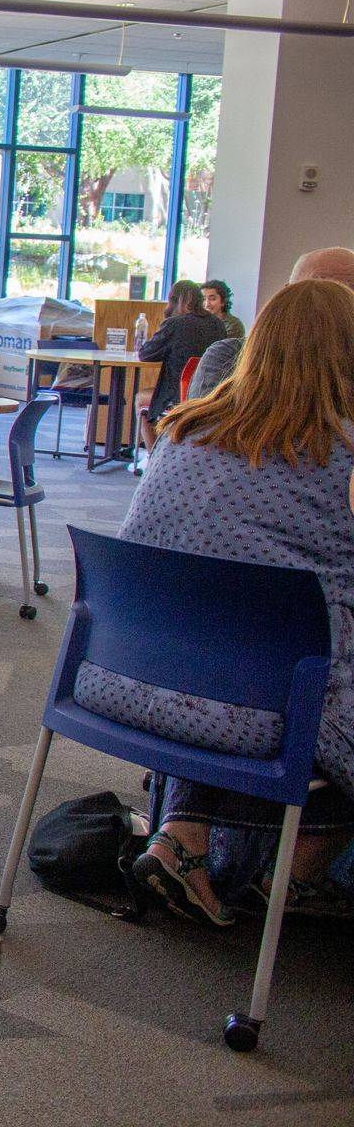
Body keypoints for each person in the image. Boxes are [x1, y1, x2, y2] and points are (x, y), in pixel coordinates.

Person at [76, 279, 354, 925]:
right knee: (305, 682)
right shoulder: (338, 458)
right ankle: (295, 876)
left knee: (260, 655)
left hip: (126, 676)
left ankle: (187, 842)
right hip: (250, 708)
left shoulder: (183, 430)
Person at [190, 248, 354, 399]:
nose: (338, 305)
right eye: (318, 290)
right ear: (285, 295)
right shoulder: (229, 358)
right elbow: (203, 426)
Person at [136, 279, 227, 456]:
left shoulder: (174, 324)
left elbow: (146, 354)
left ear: (174, 301)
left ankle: (153, 458)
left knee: (141, 399)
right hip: (211, 395)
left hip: (179, 395)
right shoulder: (217, 324)